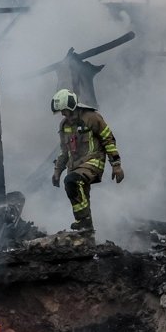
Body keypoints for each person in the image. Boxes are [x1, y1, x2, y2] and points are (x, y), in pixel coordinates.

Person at [50, 89, 123, 233]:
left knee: (71, 181)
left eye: (64, 110)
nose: (63, 114)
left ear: (71, 106)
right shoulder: (64, 126)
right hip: (75, 166)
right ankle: (86, 231)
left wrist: (116, 165)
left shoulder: (92, 117)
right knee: (75, 190)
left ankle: (84, 222)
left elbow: (108, 140)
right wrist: (57, 171)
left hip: (93, 161)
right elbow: (64, 152)